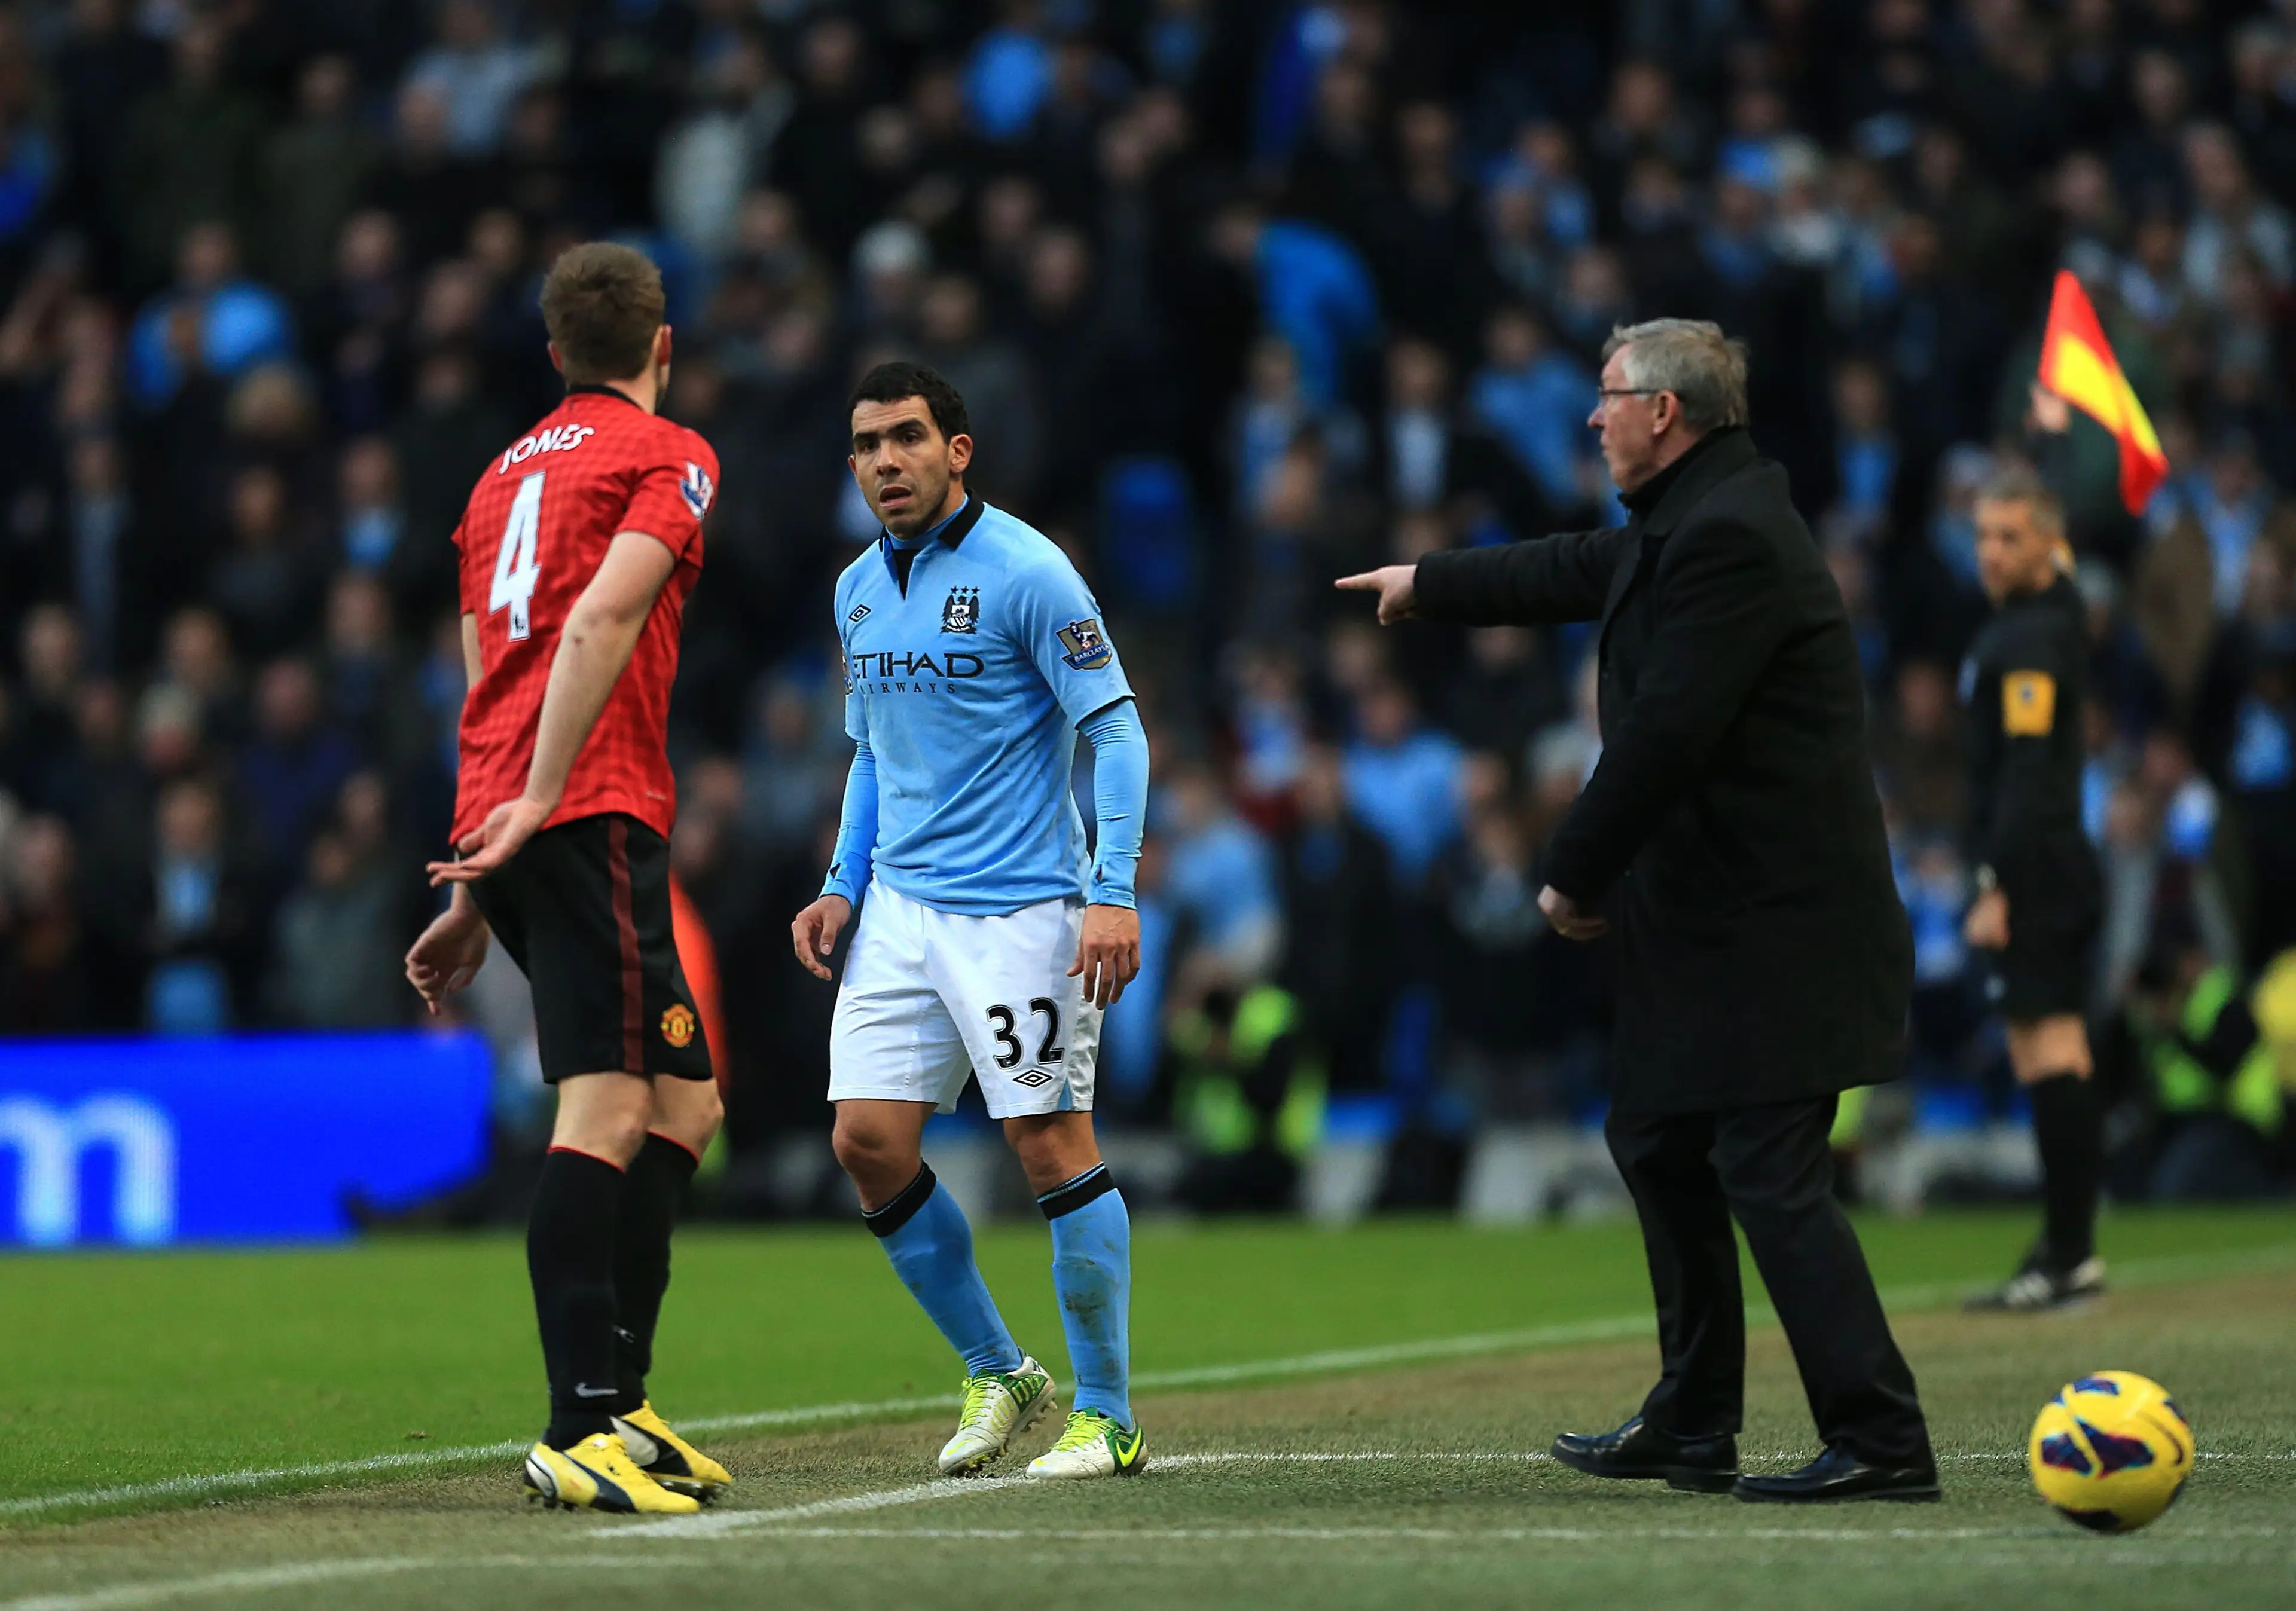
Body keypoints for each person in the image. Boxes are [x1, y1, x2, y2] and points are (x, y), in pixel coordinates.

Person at [1336, 318, 1936, 1504]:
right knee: (1656, 1138)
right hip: (1720, 921)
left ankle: (1881, 1439)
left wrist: (1571, 866)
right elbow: (1570, 569)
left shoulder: (1732, 539)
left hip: (1779, 924)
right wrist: (1433, 584)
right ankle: (1697, 1418)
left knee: (1768, 1169)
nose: (1593, 418)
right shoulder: (1695, 521)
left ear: (1666, 413)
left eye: (1608, 397)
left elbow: (1667, 730)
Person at [402, 242, 731, 1516]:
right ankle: (573, 1422)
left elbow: (483, 663)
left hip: (521, 811)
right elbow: (598, 621)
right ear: (661, 345)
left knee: (685, 1107)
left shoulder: (493, 483)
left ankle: (623, 1399)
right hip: (585, 806)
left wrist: (477, 878)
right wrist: (539, 802)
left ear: (554, 356)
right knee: (604, 1108)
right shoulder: (672, 453)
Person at [789, 360, 1152, 1481]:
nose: (884, 461)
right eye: (865, 444)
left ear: (959, 449)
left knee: (1047, 1143)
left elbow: (1119, 734)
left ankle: (1109, 1414)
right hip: (899, 908)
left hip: (1019, 913)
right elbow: (870, 752)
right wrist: (844, 883)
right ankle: (1000, 1368)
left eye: (906, 437)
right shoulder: (856, 586)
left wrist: (1114, 890)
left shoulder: (1031, 571)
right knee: (866, 1140)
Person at [1958, 469, 2109, 1310]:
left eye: (2010, 537)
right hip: (2055, 862)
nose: (1991, 551)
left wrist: (1995, 882)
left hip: (2036, 869)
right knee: (2058, 1049)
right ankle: (2068, 1245)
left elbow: (2026, 777)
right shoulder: (2053, 615)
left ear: (2048, 544)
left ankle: (2068, 1253)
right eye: (1983, 534)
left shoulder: (2028, 644)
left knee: (2047, 1050)